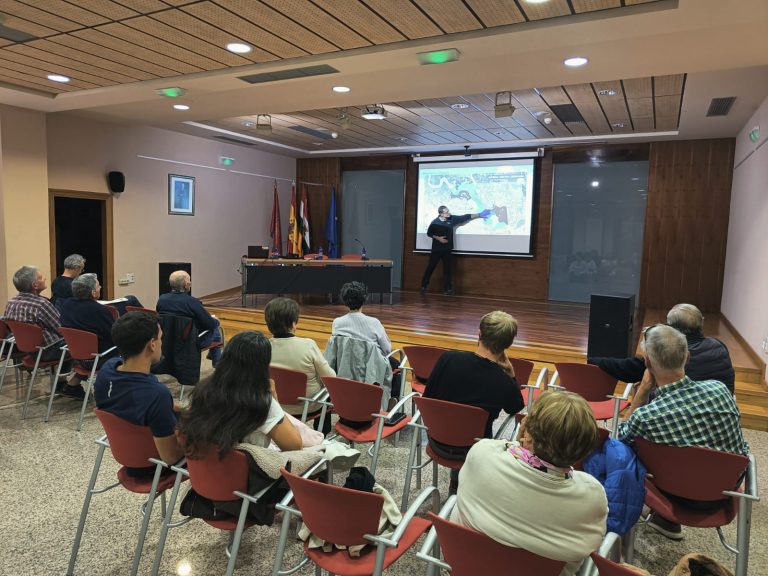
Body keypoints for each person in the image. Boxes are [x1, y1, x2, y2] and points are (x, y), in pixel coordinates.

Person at [453, 390, 607, 576]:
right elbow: (590, 543)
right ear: (584, 449)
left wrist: (523, 437)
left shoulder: (483, 453)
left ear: (528, 433)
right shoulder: (593, 495)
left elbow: (503, 446)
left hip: (470, 568)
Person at [617, 324, 749, 539]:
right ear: (687, 357)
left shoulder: (646, 417)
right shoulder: (720, 390)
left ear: (648, 363)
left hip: (671, 497)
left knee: (621, 451)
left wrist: (641, 393)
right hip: (724, 494)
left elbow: (620, 438)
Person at [424, 310, 525, 491]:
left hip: (436, 441)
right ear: (508, 344)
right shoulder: (503, 381)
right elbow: (516, 407)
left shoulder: (448, 358)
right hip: (475, 450)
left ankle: (457, 481)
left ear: (479, 335)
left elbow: (427, 398)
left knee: (458, 424)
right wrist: (511, 374)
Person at [177, 330, 302, 457]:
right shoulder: (262, 402)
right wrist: (274, 400)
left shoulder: (203, 389)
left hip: (208, 469)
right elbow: (294, 446)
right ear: (262, 365)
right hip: (247, 473)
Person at [94, 311, 185, 475]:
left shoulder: (108, 368)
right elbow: (171, 458)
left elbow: (138, 404)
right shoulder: (157, 395)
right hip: (153, 466)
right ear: (152, 344)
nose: (161, 343)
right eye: (160, 338)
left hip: (126, 452)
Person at [589, 303, 735, 394]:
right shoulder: (719, 346)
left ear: (671, 328)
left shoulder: (668, 353)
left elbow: (624, 368)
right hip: (719, 410)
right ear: (701, 323)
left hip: (677, 415)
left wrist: (593, 359)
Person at [2, 265, 80, 398]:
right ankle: (67, 384)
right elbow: (62, 328)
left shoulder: (11, 302)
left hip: (25, 350)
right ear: (35, 285)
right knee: (78, 344)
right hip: (46, 351)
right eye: (41, 277)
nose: (45, 278)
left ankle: (61, 383)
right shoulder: (41, 304)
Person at [264, 297, 335, 430]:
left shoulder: (263, 348)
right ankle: (322, 433)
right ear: (294, 324)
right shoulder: (308, 345)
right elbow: (330, 377)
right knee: (327, 394)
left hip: (275, 405)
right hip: (308, 406)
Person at [331, 281, 401, 399]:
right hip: (371, 368)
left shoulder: (337, 323)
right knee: (396, 364)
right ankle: (393, 399)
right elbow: (387, 349)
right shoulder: (374, 323)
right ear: (364, 299)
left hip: (346, 365)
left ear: (345, 300)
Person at [420, 205, 492, 295]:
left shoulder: (452, 219)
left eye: (448, 211)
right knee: (431, 267)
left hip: (447, 249)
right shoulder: (435, 223)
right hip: (437, 249)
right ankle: (424, 286)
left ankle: (447, 289)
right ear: (441, 214)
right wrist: (438, 238)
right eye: (446, 212)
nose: (448, 213)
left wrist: (479, 214)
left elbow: (465, 217)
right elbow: (429, 233)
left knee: (447, 270)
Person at [156, 270, 222, 366]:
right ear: (186, 284)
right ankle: (218, 364)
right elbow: (209, 324)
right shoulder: (192, 302)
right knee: (215, 329)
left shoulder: (162, 299)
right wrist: (216, 321)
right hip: (189, 341)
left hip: (168, 340)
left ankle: (214, 358)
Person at [59, 273, 118, 368]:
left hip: (76, 356)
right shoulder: (99, 310)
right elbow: (114, 335)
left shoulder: (67, 304)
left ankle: (75, 380)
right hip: (101, 357)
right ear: (93, 292)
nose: (100, 287)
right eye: (98, 286)